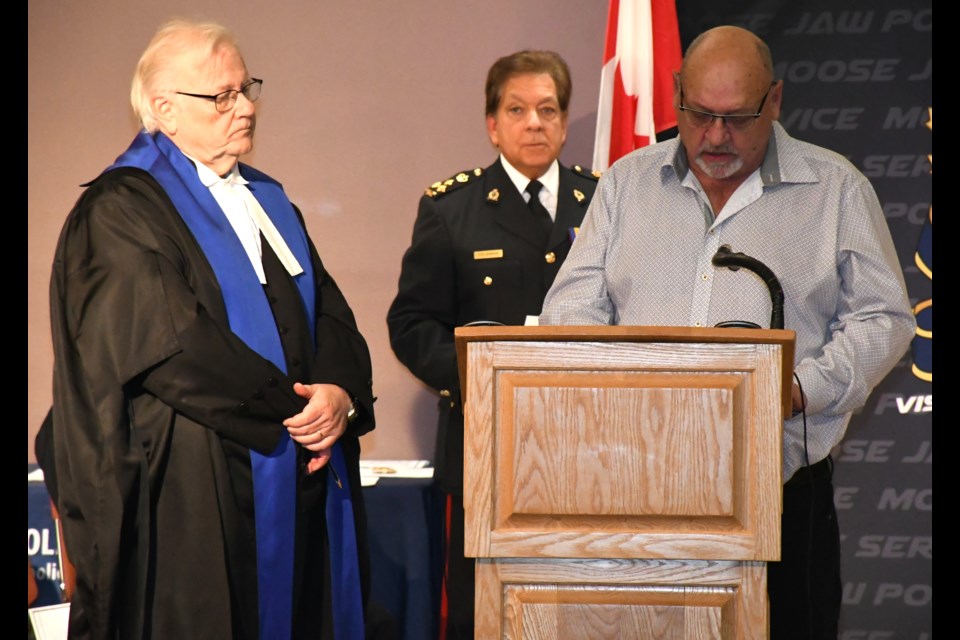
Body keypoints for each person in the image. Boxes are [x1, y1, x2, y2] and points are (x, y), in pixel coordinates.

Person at [539, 25, 916, 640]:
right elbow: (571, 311)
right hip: (637, 484)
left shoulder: (836, 188)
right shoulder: (626, 185)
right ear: (676, 94)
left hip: (779, 485)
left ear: (774, 101)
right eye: (700, 115)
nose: (715, 137)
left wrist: (798, 388)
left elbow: (885, 318)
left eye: (738, 118)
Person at [47, 19, 377, 640]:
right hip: (197, 489)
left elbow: (329, 310)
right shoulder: (121, 210)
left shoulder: (269, 201)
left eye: (246, 87)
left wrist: (337, 394)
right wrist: (296, 417)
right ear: (165, 110)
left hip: (292, 467)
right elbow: (174, 344)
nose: (246, 106)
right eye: (222, 95)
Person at [386, 50, 600, 639]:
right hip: (486, 445)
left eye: (548, 110)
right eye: (517, 109)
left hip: (588, 444)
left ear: (563, 119)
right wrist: (476, 377)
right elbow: (412, 323)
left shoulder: (603, 203)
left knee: (580, 606)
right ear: (492, 124)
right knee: (483, 610)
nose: (535, 123)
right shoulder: (452, 209)